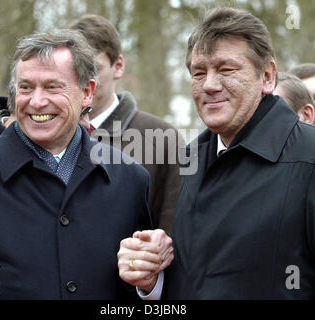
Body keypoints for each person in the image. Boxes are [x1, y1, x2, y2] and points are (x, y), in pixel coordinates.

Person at [119, 7, 315, 299]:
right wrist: (152, 279)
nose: (209, 85)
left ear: (267, 76)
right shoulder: (190, 161)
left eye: (226, 69)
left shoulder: (308, 157)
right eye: (199, 72)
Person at [0, 29, 173, 299]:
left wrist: (147, 284)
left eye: (53, 87)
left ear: (87, 92)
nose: (37, 101)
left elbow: (134, 288)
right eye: (26, 87)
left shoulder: (130, 179)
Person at [69, 14, 182, 234]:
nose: (84, 83)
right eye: (75, 71)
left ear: (118, 66)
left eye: (93, 70)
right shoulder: (50, 136)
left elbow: (172, 230)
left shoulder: (161, 138)